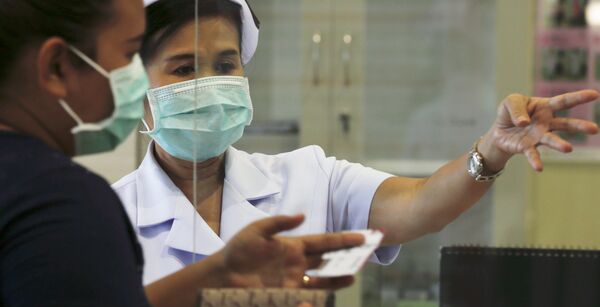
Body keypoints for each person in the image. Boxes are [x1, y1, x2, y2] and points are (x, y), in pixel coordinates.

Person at [114, 0, 600, 286]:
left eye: (225, 66)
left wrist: (491, 150)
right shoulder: (105, 217)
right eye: (183, 69)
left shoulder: (308, 177)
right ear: (137, 86)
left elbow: (420, 204)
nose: (210, 85)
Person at [0, 0, 365, 307]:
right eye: (128, 56)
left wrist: (219, 276)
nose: (131, 82)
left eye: (225, 65)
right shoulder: (59, 206)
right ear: (57, 67)